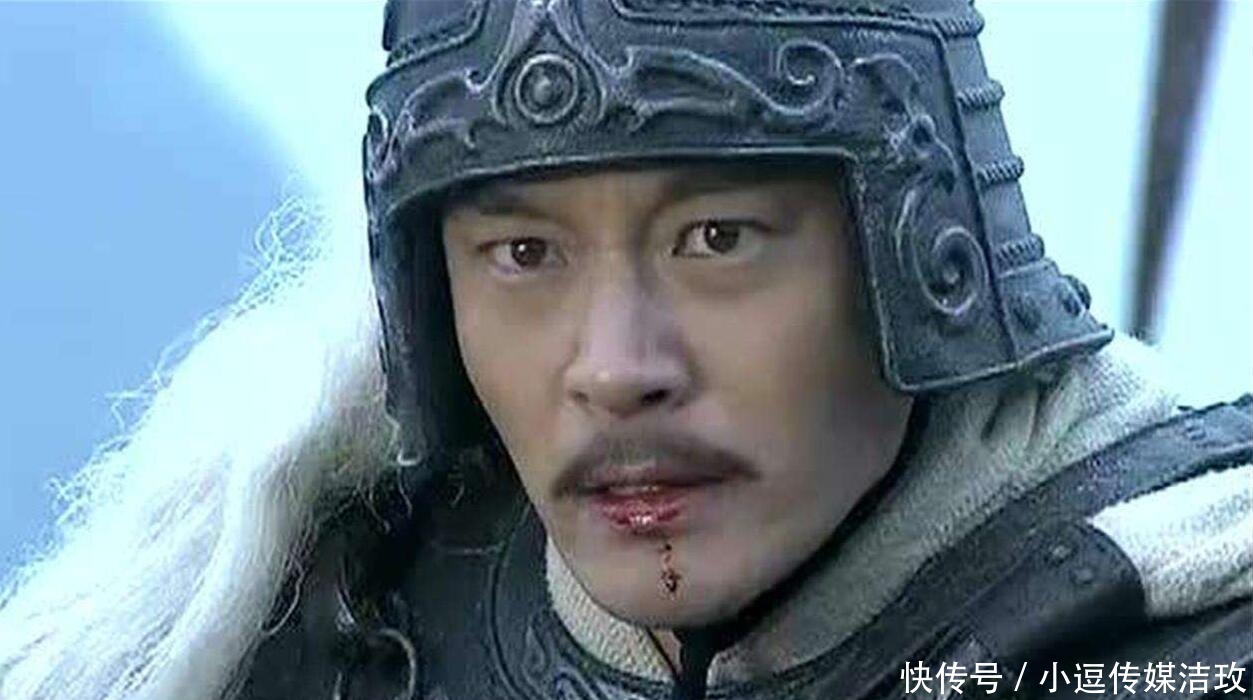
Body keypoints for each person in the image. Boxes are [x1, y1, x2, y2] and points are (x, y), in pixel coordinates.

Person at [1, 1, 1250, 699]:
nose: (611, 367)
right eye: (522, 254)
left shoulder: (1186, 649)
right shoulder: (330, 623)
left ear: (921, 248)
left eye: (717, 238)